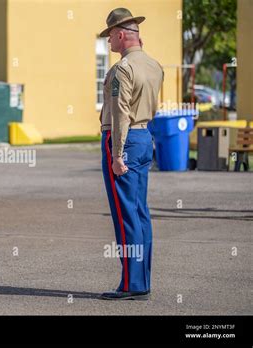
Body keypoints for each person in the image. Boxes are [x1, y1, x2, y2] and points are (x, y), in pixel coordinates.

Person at [98, 8, 163, 300]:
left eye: (110, 34)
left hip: (122, 139)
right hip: (144, 135)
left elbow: (121, 112)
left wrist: (117, 154)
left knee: (125, 214)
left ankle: (131, 284)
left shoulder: (122, 70)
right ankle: (142, 280)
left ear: (122, 34)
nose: (109, 40)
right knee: (139, 212)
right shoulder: (154, 65)